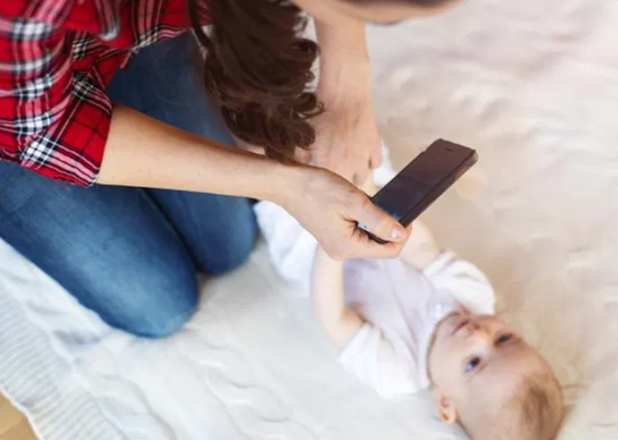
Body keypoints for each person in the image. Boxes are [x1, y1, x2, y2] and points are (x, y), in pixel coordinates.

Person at [0, 0, 462, 338]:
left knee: (229, 247)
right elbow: (45, 134)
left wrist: (347, 84)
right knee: (161, 309)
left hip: (136, 30)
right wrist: (288, 186)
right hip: (20, 121)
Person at [255, 170, 565, 440]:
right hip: (376, 206)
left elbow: (333, 316)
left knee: (271, 155)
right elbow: (422, 248)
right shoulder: (474, 296)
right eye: (504, 338)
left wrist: (332, 245)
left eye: (472, 363)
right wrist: (372, 198)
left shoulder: (396, 371)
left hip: (309, 240)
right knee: (363, 161)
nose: (479, 335)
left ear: (445, 402)